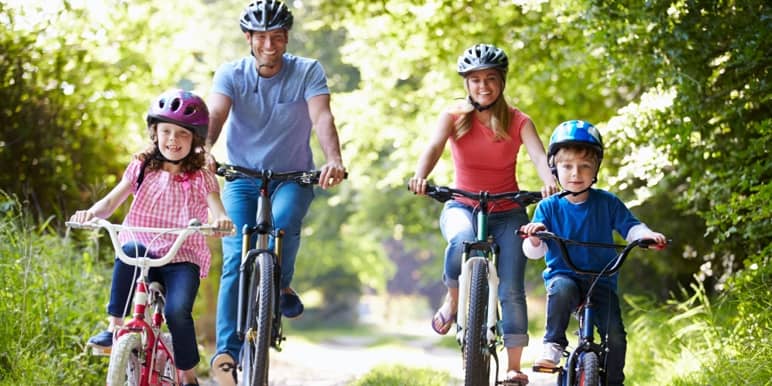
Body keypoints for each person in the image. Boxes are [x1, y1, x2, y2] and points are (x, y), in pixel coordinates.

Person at [205, 1, 346, 384]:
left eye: (277, 37)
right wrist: (205, 149)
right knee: (236, 255)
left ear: (286, 38)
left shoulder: (307, 71)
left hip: (293, 175)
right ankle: (225, 355)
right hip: (242, 176)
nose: (270, 44)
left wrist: (333, 158)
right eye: (262, 37)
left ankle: (280, 281)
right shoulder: (231, 74)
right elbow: (216, 114)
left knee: (284, 223)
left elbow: (322, 117)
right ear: (248, 39)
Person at [408, 43, 558, 384]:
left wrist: (549, 182)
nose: (483, 86)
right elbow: (432, 147)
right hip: (462, 203)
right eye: (475, 80)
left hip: (508, 211)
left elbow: (538, 155)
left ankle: (513, 367)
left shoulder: (519, 121)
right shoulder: (454, 117)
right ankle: (454, 298)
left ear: (502, 81)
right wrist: (421, 175)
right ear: (466, 84)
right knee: (460, 240)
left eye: (490, 78)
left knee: (512, 289)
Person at [70, 89, 233, 386]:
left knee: (176, 310)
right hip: (143, 250)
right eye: (166, 131)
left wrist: (221, 219)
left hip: (181, 256)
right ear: (154, 133)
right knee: (128, 248)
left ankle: (187, 374)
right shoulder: (142, 167)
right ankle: (115, 327)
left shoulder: (201, 177)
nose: (173, 139)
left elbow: (216, 207)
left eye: (182, 134)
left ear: (195, 140)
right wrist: (90, 214)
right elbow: (109, 203)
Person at [519, 120, 668, 386]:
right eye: (567, 166)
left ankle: (613, 382)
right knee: (562, 290)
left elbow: (631, 227)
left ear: (595, 169)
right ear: (554, 168)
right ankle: (552, 345)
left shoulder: (607, 202)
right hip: (564, 275)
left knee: (616, 337)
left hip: (602, 280)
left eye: (584, 166)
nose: (575, 173)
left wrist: (645, 236)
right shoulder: (549, 207)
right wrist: (534, 236)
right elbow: (534, 252)